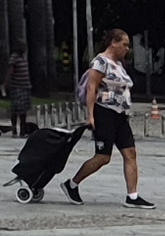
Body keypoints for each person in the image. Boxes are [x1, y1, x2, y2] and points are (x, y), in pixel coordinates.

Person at [60, 29, 150, 206]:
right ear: (113, 43)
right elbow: (91, 88)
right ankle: (72, 184)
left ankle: (132, 196)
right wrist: (91, 115)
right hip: (104, 113)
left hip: (120, 115)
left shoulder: (119, 64)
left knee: (130, 153)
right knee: (103, 156)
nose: (127, 49)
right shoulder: (100, 62)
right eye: (124, 45)